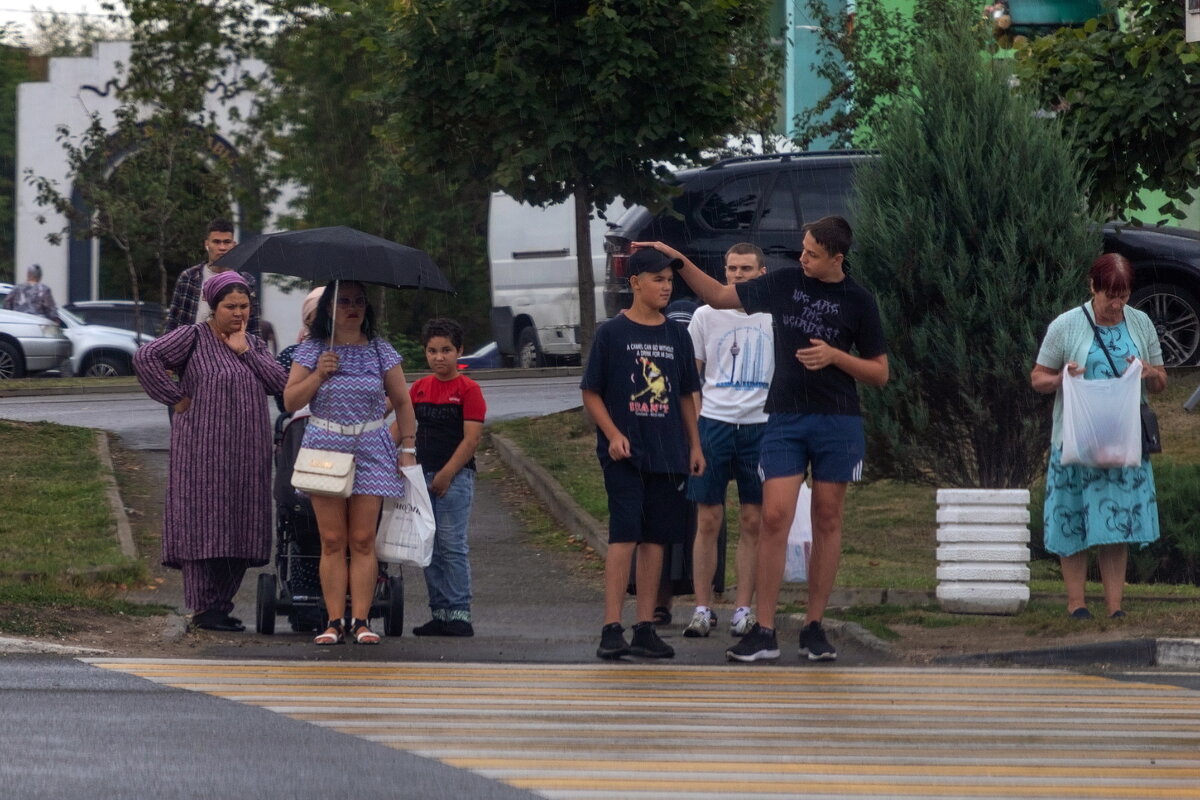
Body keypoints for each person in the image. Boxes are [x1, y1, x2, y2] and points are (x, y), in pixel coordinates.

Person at [640, 215, 888, 663]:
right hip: (785, 417)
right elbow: (717, 295)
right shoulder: (787, 282)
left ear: (837, 257)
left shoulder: (859, 300)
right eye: (803, 249)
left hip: (837, 420)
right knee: (774, 516)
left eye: (812, 252)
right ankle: (765, 629)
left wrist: (835, 356)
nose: (802, 257)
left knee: (828, 519)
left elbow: (880, 372)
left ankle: (814, 627)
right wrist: (678, 262)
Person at [132, 271, 287, 631]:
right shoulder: (192, 337)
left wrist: (247, 352)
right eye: (230, 306)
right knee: (204, 525)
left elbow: (279, 384)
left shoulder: (254, 344)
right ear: (212, 307)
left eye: (244, 306)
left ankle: (221, 605)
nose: (238, 313)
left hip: (248, 453)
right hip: (202, 453)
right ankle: (203, 607)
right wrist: (173, 397)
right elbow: (145, 357)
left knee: (240, 525)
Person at [581, 248, 704, 661]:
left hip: (667, 453)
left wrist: (695, 445)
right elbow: (591, 390)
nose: (666, 287)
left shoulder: (676, 335)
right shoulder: (612, 333)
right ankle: (611, 626)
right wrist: (613, 434)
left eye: (669, 280)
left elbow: (687, 393)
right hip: (625, 454)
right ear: (635, 283)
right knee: (626, 534)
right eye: (658, 280)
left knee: (656, 540)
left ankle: (645, 626)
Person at [1030, 253, 1166, 619]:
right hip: (1075, 443)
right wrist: (1061, 379)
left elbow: (1162, 382)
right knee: (1072, 517)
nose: (1117, 304)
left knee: (1118, 523)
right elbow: (1037, 377)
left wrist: (1148, 372)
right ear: (1092, 287)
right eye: (1110, 295)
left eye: (1123, 295)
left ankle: (1115, 606)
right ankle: (1076, 604)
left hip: (1124, 445)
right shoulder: (1067, 325)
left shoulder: (1140, 324)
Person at [283, 281, 418, 645]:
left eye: (359, 301)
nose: (352, 308)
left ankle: (361, 620)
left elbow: (403, 401)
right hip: (325, 446)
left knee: (362, 539)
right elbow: (290, 401)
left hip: (372, 446)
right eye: (343, 302)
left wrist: (408, 446)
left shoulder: (380, 351)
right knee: (332, 539)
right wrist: (318, 374)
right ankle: (332, 621)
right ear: (329, 308)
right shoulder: (311, 350)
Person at [683, 243, 773, 639]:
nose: (737, 275)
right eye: (732, 268)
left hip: (762, 426)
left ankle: (743, 608)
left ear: (762, 273)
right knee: (708, 518)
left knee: (753, 520)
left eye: (746, 269)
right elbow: (691, 378)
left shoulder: (774, 316)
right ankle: (703, 607)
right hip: (715, 423)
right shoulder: (705, 315)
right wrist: (698, 425)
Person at [408, 318, 487, 637]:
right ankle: (438, 610)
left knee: (451, 543)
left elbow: (471, 439)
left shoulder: (469, 389)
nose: (439, 357)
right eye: (432, 351)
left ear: (459, 352)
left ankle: (460, 612)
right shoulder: (419, 388)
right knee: (429, 543)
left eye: (446, 350)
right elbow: (400, 422)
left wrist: (447, 474)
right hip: (421, 476)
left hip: (454, 478)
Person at [164, 218, 261, 337]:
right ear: (207, 244)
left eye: (226, 242)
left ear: (234, 245)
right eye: (216, 242)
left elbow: (254, 328)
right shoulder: (189, 278)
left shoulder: (246, 281)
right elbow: (172, 321)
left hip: (230, 349)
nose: (222, 247)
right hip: (191, 348)